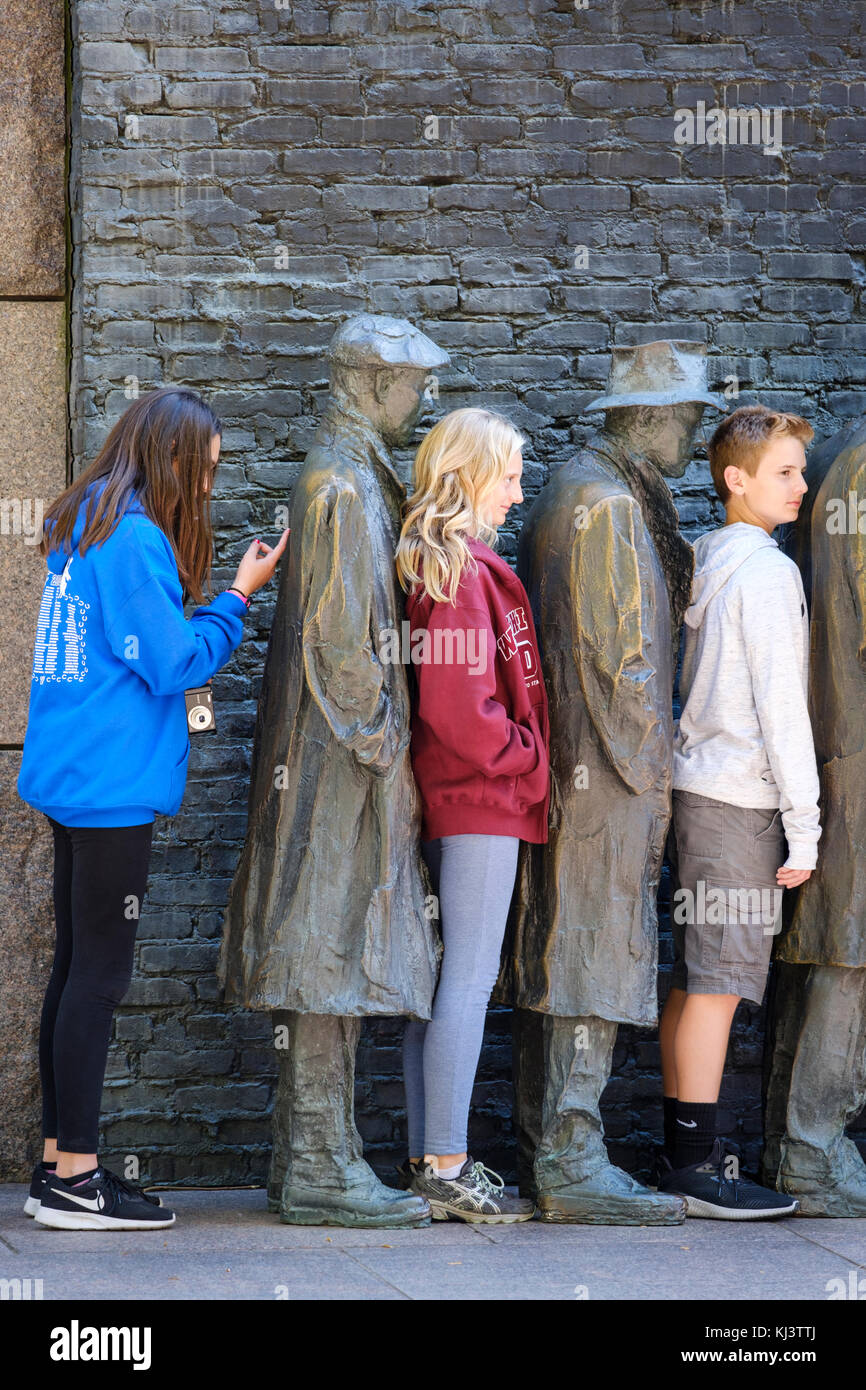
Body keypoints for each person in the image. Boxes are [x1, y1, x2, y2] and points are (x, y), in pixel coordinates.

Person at [17, 386, 288, 1231]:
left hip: (75, 775)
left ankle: (63, 1166)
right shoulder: (132, 537)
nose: (206, 488)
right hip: (111, 786)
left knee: (74, 971)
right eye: (202, 471)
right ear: (171, 458)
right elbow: (173, 665)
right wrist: (237, 599)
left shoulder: (85, 522)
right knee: (98, 977)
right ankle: (78, 1180)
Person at [657, 403, 820, 1218]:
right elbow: (782, 708)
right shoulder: (766, 571)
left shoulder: (708, 557)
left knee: (696, 982)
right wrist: (807, 822)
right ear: (736, 479)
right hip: (739, 801)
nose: (800, 486)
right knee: (718, 985)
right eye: (785, 471)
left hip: (695, 792)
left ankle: (684, 1159)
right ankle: (696, 1171)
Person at [394, 406, 550, 1223]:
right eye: (510, 478)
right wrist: (527, 753)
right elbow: (462, 716)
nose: (518, 496)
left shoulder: (448, 565)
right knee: (469, 978)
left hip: (462, 800)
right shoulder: (457, 575)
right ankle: (450, 1165)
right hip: (480, 801)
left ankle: (430, 1156)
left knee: (443, 979)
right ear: (467, 474)